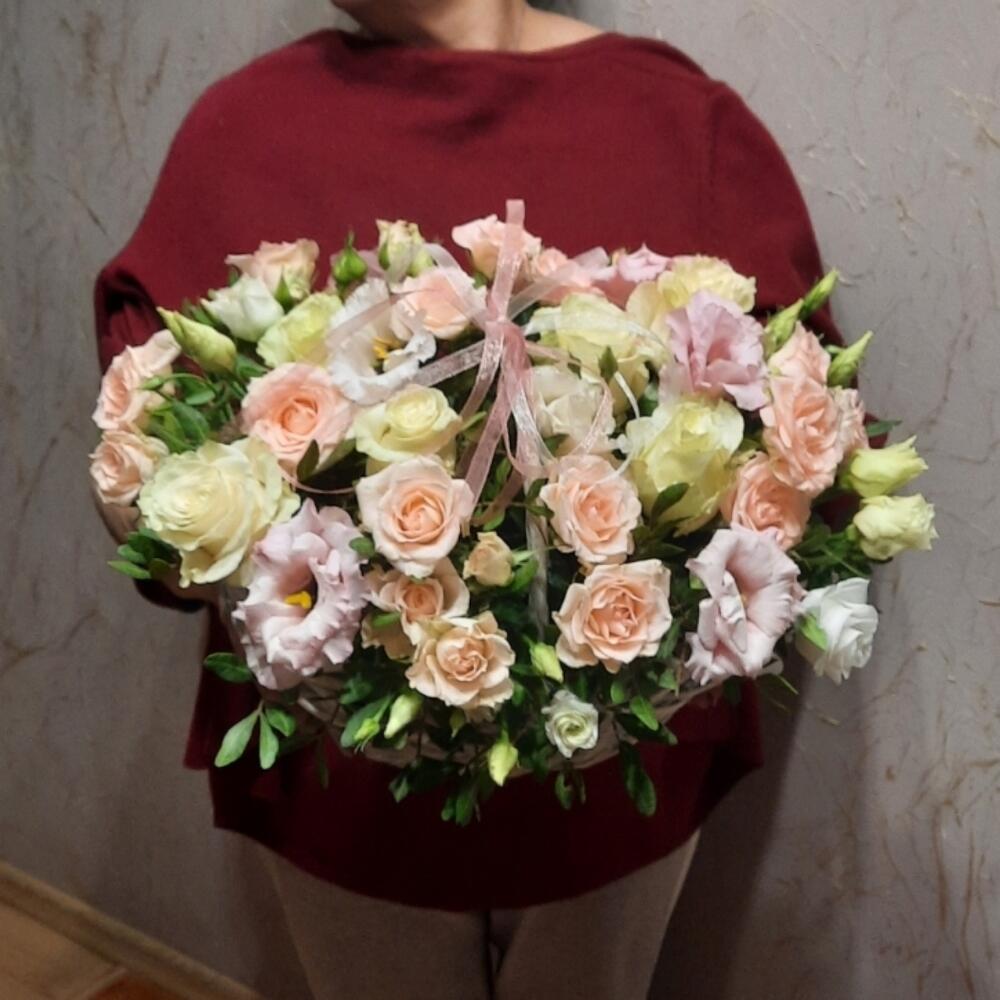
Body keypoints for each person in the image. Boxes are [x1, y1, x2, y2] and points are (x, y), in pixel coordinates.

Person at [94, 1, 840, 997]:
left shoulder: (680, 122)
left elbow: (810, 443)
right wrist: (173, 511)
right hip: (343, 782)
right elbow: (143, 447)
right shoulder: (244, 127)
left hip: (616, 776)